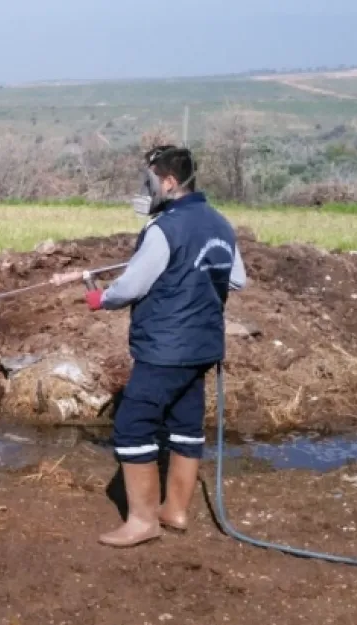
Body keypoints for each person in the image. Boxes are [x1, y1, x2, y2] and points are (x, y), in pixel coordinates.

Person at [85, 145, 247, 548]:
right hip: (204, 346)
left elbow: (131, 287)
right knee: (184, 426)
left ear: (170, 182)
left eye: (150, 181)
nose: (147, 189)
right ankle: (174, 510)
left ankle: (142, 522)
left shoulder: (163, 229)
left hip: (165, 348)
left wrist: (98, 298)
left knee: (133, 424)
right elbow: (236, 278)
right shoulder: (220, 224)